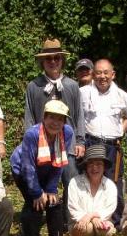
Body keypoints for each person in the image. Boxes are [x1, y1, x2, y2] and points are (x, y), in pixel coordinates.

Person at [24, 38, 85, 225]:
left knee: (71, 181)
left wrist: (80, 141)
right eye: (49, 59)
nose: (53, 62)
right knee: (38, 180)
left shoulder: (72, 86)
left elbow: (79, 115)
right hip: (41, 144)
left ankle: (69, 221)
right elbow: (29, 116)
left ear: (62, 60)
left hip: (67, 143)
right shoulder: (34, 86)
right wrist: (30, 143)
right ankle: (35, 220)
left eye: (56, 58)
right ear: (43, 62)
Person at [11, 100, 74, 236]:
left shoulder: (67, 132)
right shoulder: (32, 134)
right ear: (44, 118)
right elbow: (28, 166)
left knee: (53, 202)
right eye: (52, 117)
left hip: (48, 168)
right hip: (23, 169)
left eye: (60, 119)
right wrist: (37, 192)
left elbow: (58, 161)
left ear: (64, 121)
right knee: (35, 203)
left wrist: (51, 188)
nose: (55, 122)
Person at [80, 58, 127, 227]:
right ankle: (88, 219)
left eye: (106, 72)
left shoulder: (121, 95)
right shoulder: (83, 93)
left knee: (113, 181)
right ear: (93, 74)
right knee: (89, 180)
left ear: (113, 74)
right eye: (98, 72)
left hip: (112, 145)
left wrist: (120, 132)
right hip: (90, 142)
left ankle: (115, 222)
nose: (102, 76)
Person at [67, 145, 117, 236]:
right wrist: (90, 218)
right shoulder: (74, 183)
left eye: (99, 164)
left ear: (104, 167)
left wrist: (91, 216)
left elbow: (110, 209)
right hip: (80, 222)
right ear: (85, 166)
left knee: (106, 231)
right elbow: (73, 208)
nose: (95, 168)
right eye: (91, 164)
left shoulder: (110, 185)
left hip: (102, 221)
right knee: (86, 228)